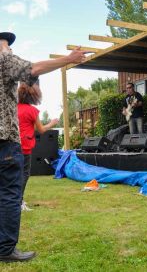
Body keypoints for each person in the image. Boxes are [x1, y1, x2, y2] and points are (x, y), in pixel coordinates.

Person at [0, 31, 87, 262]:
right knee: (10, 195)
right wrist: (68, 59)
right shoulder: (3, 60)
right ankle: (5, 249)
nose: (9, 49)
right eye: (7, 45)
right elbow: (33, 69)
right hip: (6, 144)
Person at [17, 82, 59, 211]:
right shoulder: (32, 111)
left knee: (11, 175)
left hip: (11, 146)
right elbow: (40, 129)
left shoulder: (14, 108)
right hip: (25, 148)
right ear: (34, 97)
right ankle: (19, 202)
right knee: (24, 174)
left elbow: (28, 126)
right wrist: (51, 123)